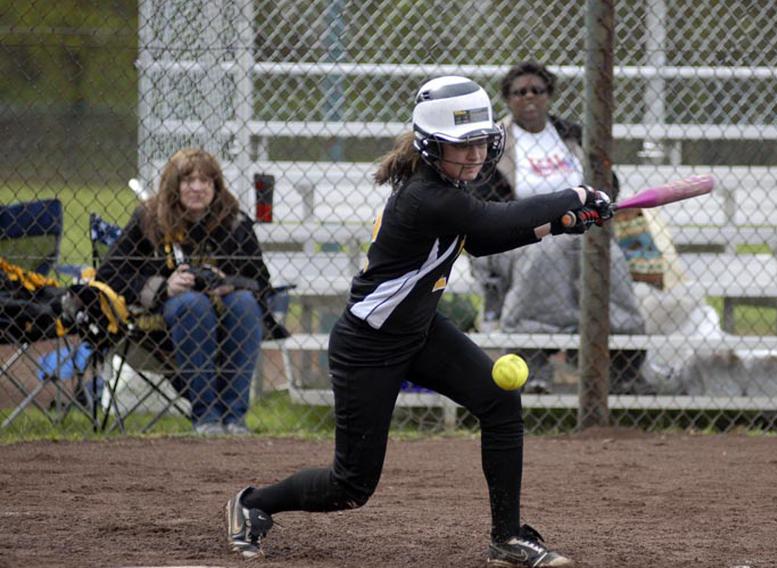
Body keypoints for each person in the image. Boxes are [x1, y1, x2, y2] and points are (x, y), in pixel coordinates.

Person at [224, 76, 610, 566]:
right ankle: (254, 504)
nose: (473, 157)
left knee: (499, 399)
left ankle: (507, 536)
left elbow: (482, 239)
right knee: (351, 486)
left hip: (420, 331)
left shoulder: (447, 190)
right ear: (430, 148)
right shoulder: (427, 196)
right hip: (369, 346)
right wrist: (573, 197)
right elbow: (489, 223)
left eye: (479, 143)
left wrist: (557, 224)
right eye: (459, 146)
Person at [469, 61, 647, 394]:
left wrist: (589, 211)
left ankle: (623, 365)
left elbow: (610, 183)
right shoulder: (495, 143)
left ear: (550, 95)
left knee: (609, 257)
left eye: (538, 90)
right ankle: (531, 359)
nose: (530, 97)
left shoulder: (572, 134)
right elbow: (485, 203)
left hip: (581, 230)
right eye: (520, 92)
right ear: (508, 99)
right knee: (547, 253)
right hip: (519, 237)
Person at [97, 147, 280, 436]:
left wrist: (230, 281)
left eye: (206, 181)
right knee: (192, 303)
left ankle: (234, 418)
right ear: (174, 185)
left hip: (227, 317)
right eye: (188, 181)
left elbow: (261, 281)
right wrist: (162, 286)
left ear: (216, 186)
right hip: (162, 323)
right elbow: (109, 274)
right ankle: (206, 416)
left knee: (245, 303)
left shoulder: (234, 221)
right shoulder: (149, 219)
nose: (197, 188)